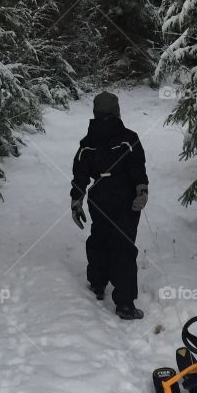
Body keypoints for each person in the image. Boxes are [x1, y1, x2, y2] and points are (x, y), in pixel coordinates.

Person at [70, 91, 149, 320]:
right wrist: (141, 190)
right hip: (125, 197)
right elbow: (138, 167)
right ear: (117, 111)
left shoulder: (87, 143)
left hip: (99, 196)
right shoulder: (129, 137)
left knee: (100, 237)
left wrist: (76, 199)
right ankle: (124, 304)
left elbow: (80, 173)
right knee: (123, 244)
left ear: (95, 112)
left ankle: (97, 282)